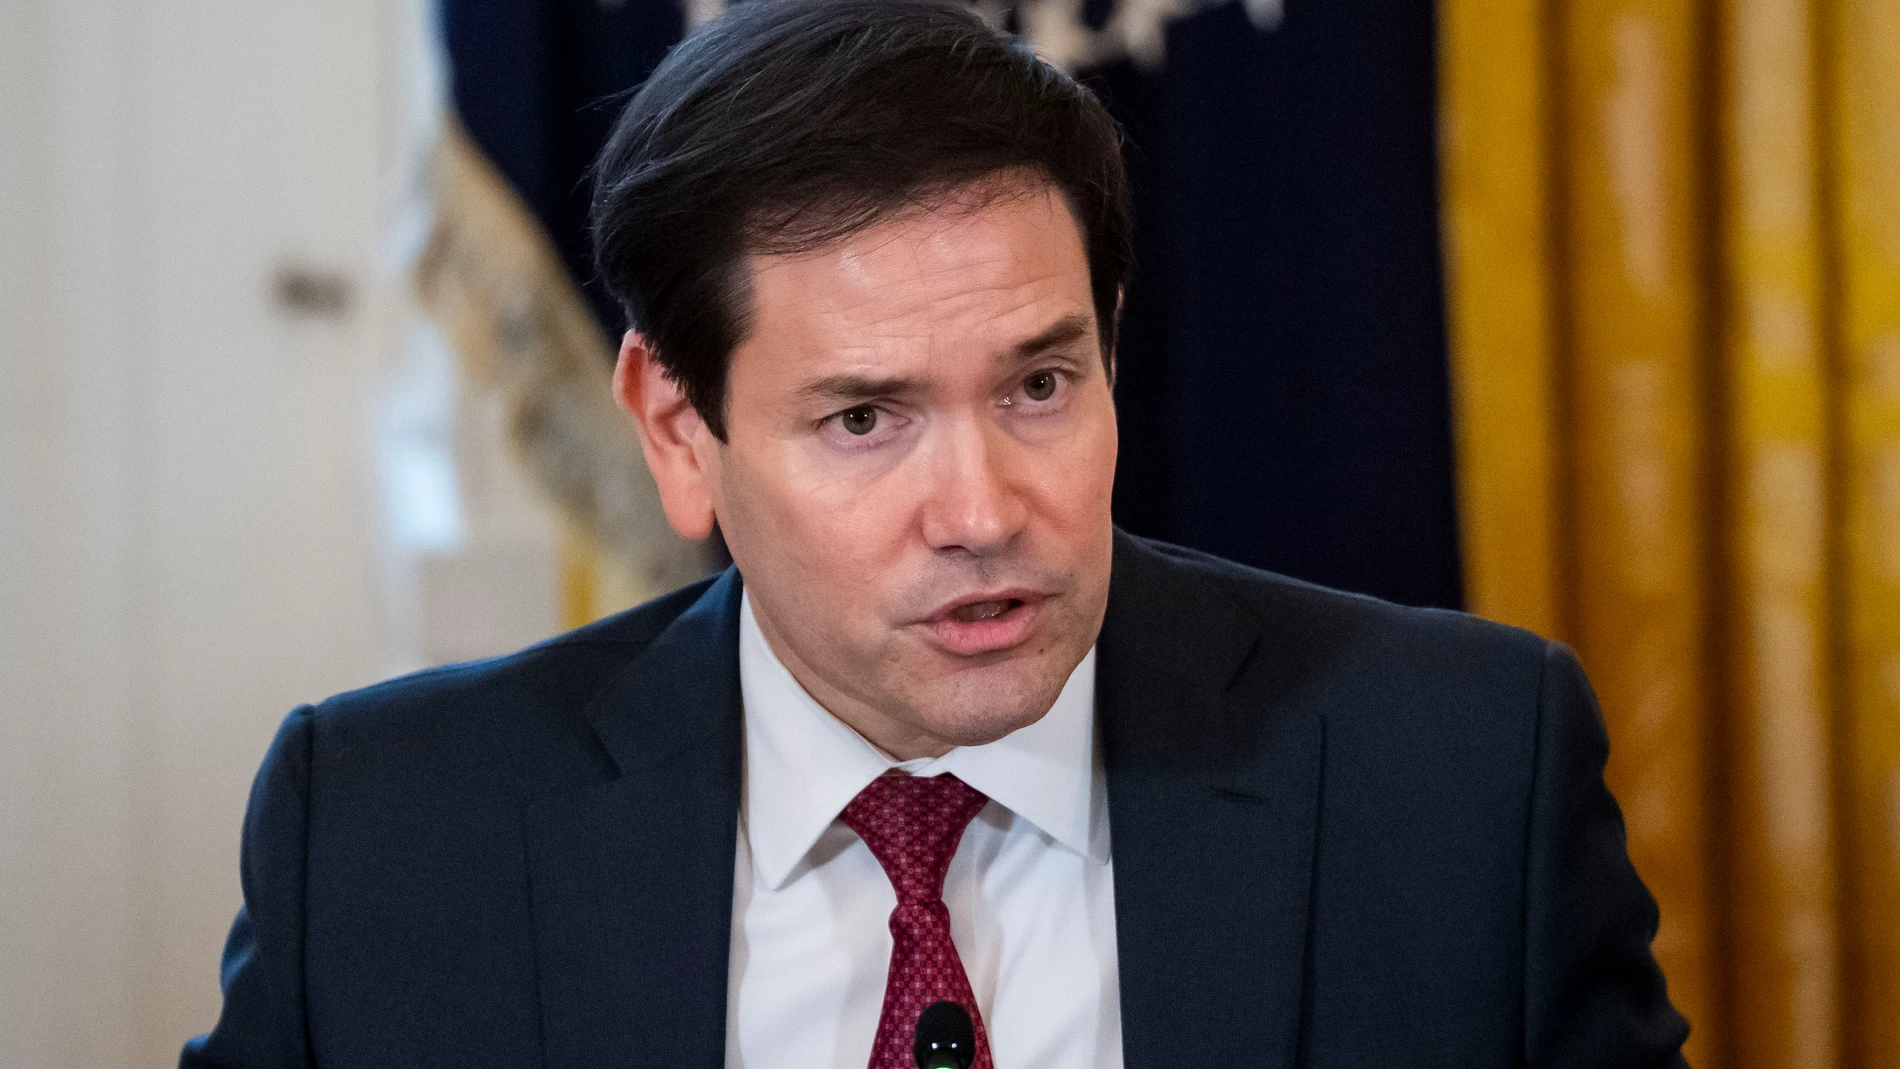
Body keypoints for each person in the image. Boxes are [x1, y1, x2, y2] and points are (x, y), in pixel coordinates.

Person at [182, 1, 1689, 1066]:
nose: (982, 515)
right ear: (675, 431)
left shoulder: (1460, 775)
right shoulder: (389, 836)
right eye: (863, 420)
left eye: (1040, 384)